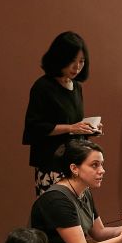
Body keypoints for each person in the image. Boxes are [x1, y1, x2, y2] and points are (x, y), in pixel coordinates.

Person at [22, 32, 101, 196]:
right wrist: (71, 128)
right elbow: (34, 127)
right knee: (55, 213)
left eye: (81, 61)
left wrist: (89, 129)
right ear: (59, 58)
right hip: (51, 164)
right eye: (72, 61)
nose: (77, 67)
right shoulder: (43, 87)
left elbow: (74, 125)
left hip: (75, 163)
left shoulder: (77, 87)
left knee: (77, 214)